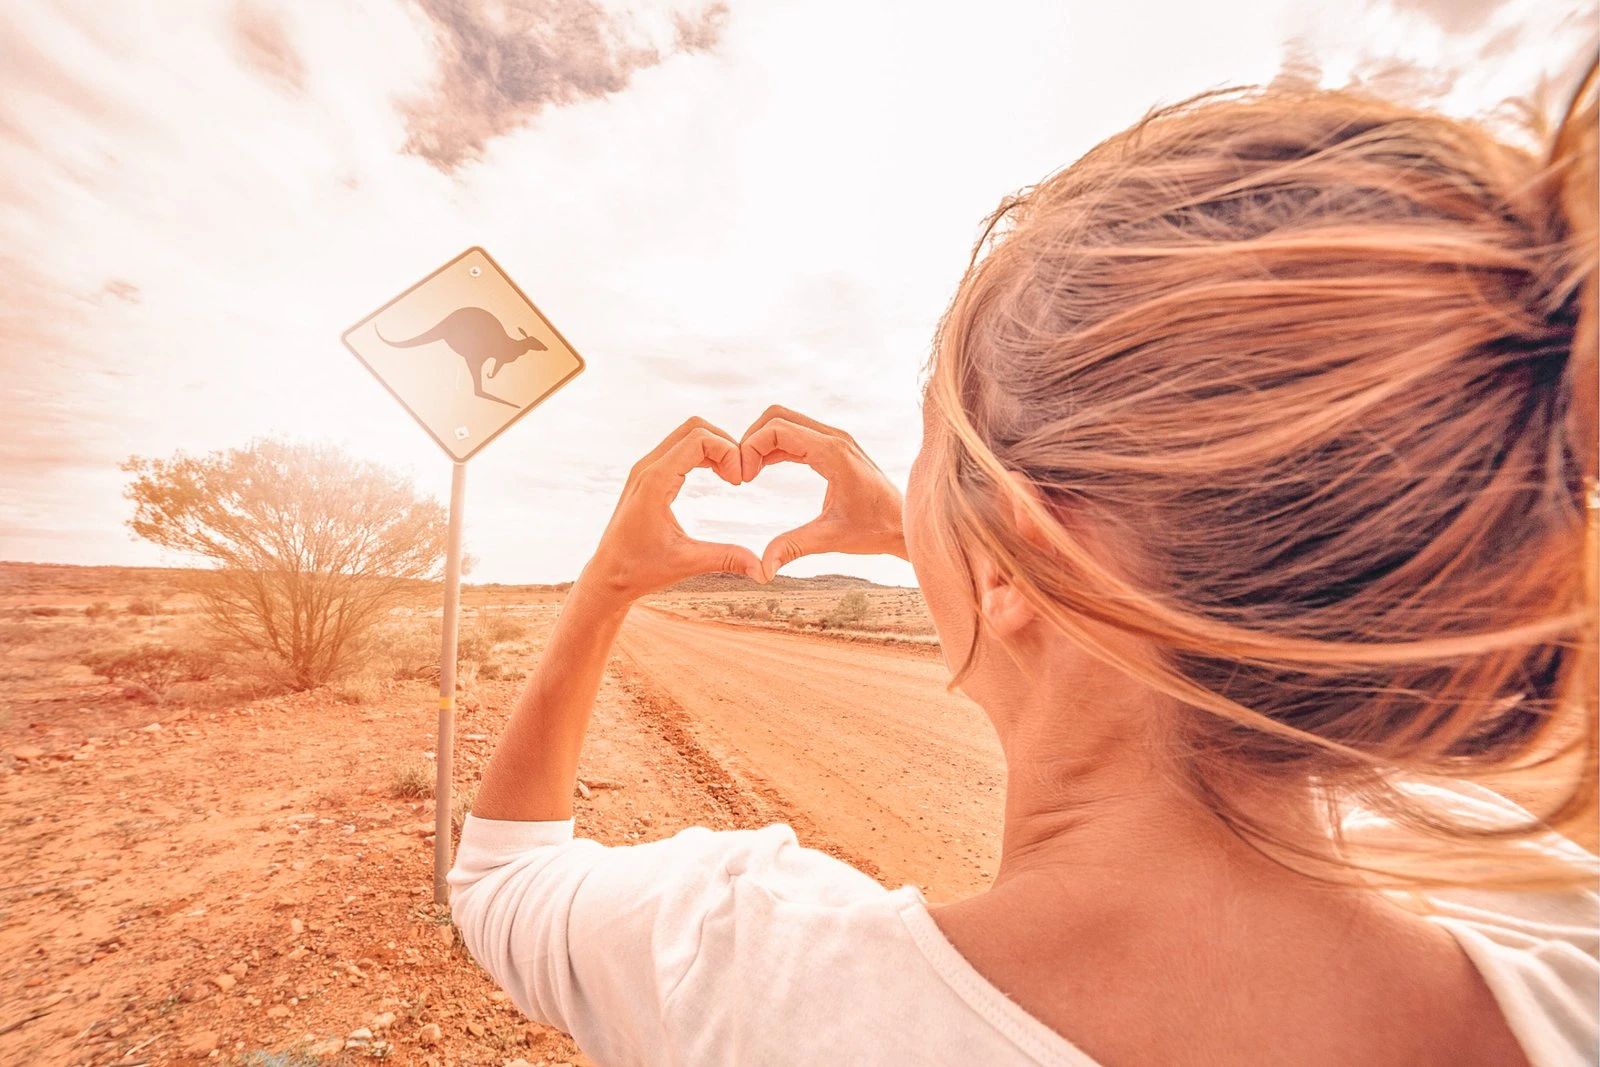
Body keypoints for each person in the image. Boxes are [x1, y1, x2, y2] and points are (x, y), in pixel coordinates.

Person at [448, 64, 1600, 1067]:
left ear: (1012, 551)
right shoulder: (1558, 941)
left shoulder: (747, 974)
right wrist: (957, 531)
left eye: (933, 459)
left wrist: (607, 581)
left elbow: (498, 880)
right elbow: (1188, 598)